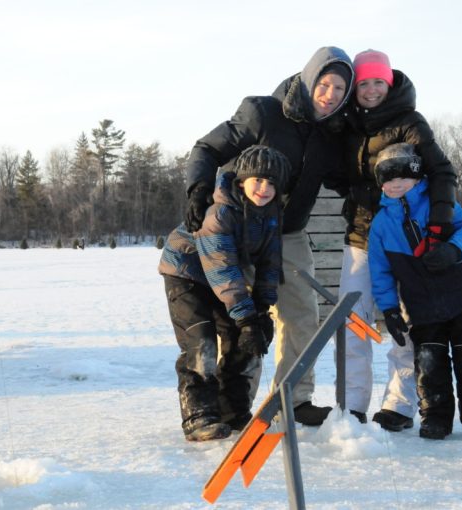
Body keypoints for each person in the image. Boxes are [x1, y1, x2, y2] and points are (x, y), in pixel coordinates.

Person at [183, 46, 354, 426]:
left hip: (288, 234)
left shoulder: (332, 135)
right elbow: (208, 148)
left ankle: (294, 398)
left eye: (340, 89)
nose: (330, 95)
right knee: (242, 320)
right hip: (239, 230)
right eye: (324, 84)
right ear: (309, 80)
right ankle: (235, 406)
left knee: (302, 317)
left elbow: (346, 180)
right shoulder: (262, 113)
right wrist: (198, 188)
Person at [333, 49, 458, 430]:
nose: (370, 90)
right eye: (364, 83)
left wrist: (437, 227)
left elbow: (442, 173)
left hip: (407, 241)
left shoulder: (410, 122)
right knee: (352, 322)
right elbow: (335, 172)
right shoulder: (344, 125)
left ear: (389, 83)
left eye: (378, 82)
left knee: (405, 322)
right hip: (360, 237)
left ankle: (399, 406)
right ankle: (352, 405)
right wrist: (357, 191)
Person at [159, 145, 291, 441]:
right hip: (187, 274)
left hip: (222, 280)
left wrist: (261, 310)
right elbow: (223, 269)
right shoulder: (219, 212)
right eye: (258, 180)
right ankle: (199, 415)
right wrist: (246, 318)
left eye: (272, 183)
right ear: (242, 180)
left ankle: (232, 411)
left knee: (241, 341)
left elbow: (271, 263)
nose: (264, 189)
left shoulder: (270, 215)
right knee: (201, 340)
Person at [368, 143, 462, 439]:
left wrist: (453, 250)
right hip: (421, 306)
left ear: (417, 178)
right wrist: (389, 309)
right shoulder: (381, 225)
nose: (396, 183)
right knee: (429, 363)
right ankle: (436, 418)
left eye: (403, 176)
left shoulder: (438, 202)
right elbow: (381, 272)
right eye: (388, 178)